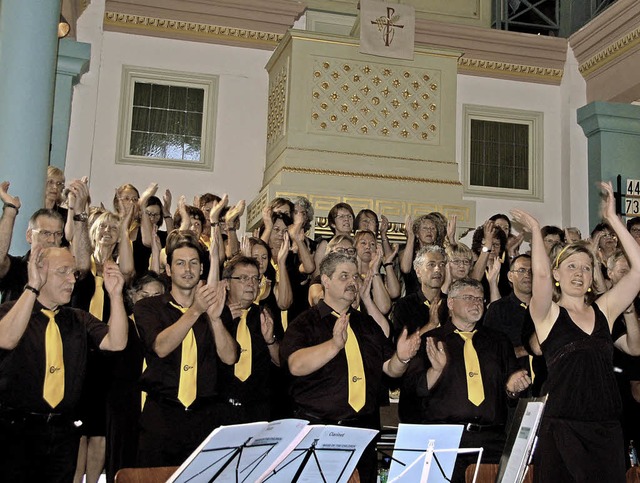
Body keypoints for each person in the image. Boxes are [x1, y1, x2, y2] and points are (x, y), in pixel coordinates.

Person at [511, 181, 640, 482]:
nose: (579, 274)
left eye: (585, 267)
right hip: (562, 430)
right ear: (556, 274)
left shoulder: (604, 310)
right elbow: (539, 273)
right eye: (571, 266)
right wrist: (535, 231)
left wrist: (613, 220)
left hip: (606, 430)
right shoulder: (547, 314)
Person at [280, 251, 420, 483]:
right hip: (320, 429)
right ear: (325, 280)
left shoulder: (367, 324)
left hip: (363, 431)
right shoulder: (305, 322)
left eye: (355, 277)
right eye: (344, 276)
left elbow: (390, 370)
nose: (352, 282)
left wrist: (402, 358)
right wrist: (334, 345)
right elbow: (295, 365)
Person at [0, 246, 127, 482]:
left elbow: (116, 342)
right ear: (38, 271)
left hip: (64, 433)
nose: (72, 280)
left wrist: (116, 295)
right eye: (63, 272)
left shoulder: (78, 318)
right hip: (16, 433)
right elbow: (6, 339)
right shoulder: (11, 311)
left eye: (74, 273)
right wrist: (32, 286)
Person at [402, 278, 530, 482]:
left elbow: (510, 394)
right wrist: (436, 371)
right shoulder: (431, 340)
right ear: (451, 303)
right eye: (469, 298)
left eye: (480, 299)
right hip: (445, 441)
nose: (477, 303)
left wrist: (513, 390)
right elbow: (413, 390)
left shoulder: (498, 341)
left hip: (492, 441)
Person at [133, 231, 237, 467]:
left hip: (206, 417)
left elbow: (230, 357)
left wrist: (215, 319)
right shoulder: (148, 308)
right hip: (161, 414)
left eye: (193, 263)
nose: (187, 269)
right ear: (168, 270)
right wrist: (195, 311)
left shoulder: (217, 309)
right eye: (180, 263)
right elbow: (160, 347)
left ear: (202, 269)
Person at [105, 272, 166, 483]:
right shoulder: (122, 324)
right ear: (132, 297)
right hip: (124, 411)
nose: (149, 301)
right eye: (144, 294)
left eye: (156, 295)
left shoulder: (169, 330)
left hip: (156, 415)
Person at [0, 180, 91, 303]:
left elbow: (83, 266)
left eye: (58, 234)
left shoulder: (66, 273)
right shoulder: (16, 268)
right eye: (45, 233)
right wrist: (10, 210)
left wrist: (79, 212)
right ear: (29, 235)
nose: (52, 240)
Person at [216, 256, 280, 424]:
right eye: (243, 278)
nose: (251, 284)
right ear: (227, 283)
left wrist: (270, 340)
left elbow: (281, 362)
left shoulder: (264, 314)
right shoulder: (214, 316)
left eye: (255, 278)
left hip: (258, 409)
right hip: (220, 408)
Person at [392, 245, 449, 423]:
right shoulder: (404, 306)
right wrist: (430, 325)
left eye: (441, 264)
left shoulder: (453, 305)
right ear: (418, 271)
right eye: (431, 265)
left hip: (448, 392)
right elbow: (401, 349)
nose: (438, 269)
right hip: (415, 392)